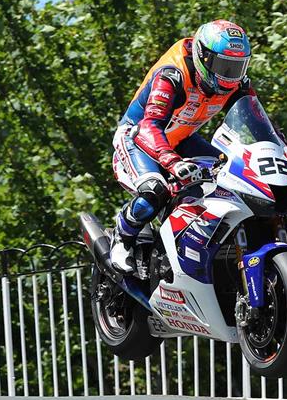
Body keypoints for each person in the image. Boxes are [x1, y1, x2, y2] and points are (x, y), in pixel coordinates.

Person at [109, 19, 257, 273]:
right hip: (138, 137)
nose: (229, 77)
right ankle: (122, 238)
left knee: (237, 176)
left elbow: (257, 123)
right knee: (155, 190)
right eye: (224, 66)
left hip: (182, 137)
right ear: (204, 57)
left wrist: (286, 157)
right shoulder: (173, 75)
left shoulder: (237, 83)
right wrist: (171, 161)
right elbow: (149, 126)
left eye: (237, 67)